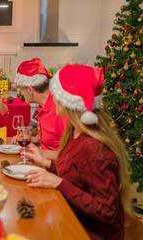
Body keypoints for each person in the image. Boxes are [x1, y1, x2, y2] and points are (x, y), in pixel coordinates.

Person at [24, 65, 132, 240]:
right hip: (71, 218)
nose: (53, 99)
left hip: (88, 233)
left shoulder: (93, 147)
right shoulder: (74, 132)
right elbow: (78, 176)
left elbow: (107, 211)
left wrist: (59, 183)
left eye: (57, 95)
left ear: (70, 102)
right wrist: (47, 165)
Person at [13, 58, 67, 160]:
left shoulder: (60, 110)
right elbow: (51, 137)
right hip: (44, 164)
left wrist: (40, 153)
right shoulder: (42, 106)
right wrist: (33, 139)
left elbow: (73, 156)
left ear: (30, 89)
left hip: (56, 170)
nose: (22, 94)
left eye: (21, 90)